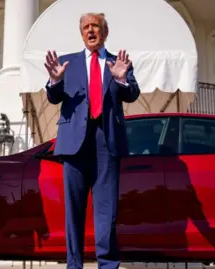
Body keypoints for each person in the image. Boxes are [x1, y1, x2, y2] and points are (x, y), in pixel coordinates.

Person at [44, 12, 141, 269]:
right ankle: (73, 264)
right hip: (74, 142)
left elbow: (132, 94)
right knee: (73, 210)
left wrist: (120, 78)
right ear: (81, 33)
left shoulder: (118, 62)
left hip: (106, 141)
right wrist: (54, 81)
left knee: (106, 211)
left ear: (104, 32)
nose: (90, 31)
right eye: (85, 27)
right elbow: (53, 98)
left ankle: (107, 264)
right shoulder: (66, 63)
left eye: (95, 26)